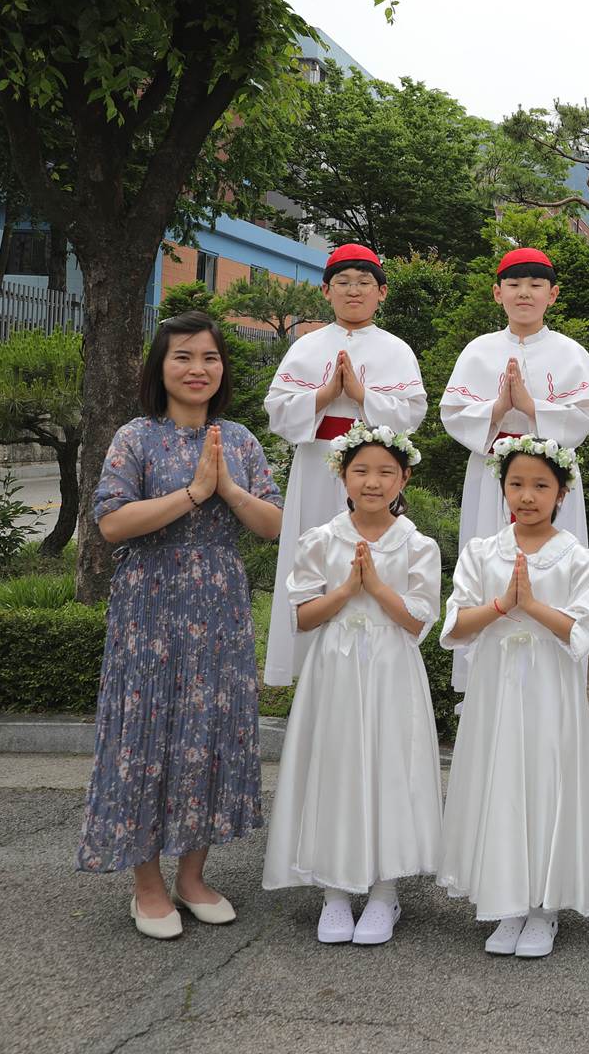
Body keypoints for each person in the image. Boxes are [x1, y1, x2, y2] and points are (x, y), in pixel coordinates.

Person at [76, 310, 284, 939]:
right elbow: (112, 523)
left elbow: (274, 526)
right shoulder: (135, 438)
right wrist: (193, 493)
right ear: (160, 368)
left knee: (211, 731)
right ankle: (147, 885)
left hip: (220, 601)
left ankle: (193, 878)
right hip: (150, 600)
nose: (198, 369)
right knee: (146, 732)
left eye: (209, 358)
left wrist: (228, 490)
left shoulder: (240, 440)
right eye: (183, 357)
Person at [262, 425, 443, 947]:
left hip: (392, 667)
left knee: (391, 766)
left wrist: (377, 587)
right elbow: (302, 617)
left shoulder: (418, 545)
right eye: (361, 470)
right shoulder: (321, 540)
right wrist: (346, 589)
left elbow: (417, 620)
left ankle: (385, 893)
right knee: (335, 766)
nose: (372, 482)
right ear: (342, 476)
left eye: (386, 472)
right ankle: (334, 892)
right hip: (336, 668)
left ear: (404, 479)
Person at [436, 436, 589, 959]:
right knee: (500, 779)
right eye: (516, 484)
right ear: (502, 489)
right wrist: (502, 605)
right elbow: (455, 627)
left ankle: (543, 907)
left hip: (549, 689)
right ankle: (506, 901)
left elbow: (581, 633)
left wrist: (531, 605)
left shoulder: (578, 558)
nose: (527, 496)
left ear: (562, 492)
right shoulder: (481, 552)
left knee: (545, 779)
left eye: (541, 485)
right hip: (496, 688)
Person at [263, 243, 427, 686]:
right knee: (314, 552)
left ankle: (375, 659)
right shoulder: (307, 346)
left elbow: (412, 413)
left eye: (364, 283)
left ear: (381, 292)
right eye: (343, 283)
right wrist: (324, 395)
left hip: (374, 471)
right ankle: (307, 668)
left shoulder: (397, 349)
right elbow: (278, 412)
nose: (354, 291)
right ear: (326, 290)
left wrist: (360, 395)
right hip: (318, 464)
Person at [441, 246, 589, 546]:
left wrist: (532, 407)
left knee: (553, 556)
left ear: (552, 294)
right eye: (514, 284)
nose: (524, 293)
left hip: (551, 470)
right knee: (490, 550)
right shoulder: (478, 350)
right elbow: (453, 414)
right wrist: (498, 408)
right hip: (492, 470)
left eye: (535, 285)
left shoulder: (571, 353)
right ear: (498, 293)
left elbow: (584, 416)